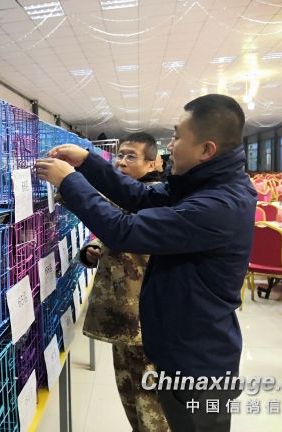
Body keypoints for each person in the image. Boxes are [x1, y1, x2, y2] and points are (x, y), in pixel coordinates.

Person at [36, 94, 256, 432]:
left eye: (177, 137)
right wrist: (88, 163)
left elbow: (125, 230)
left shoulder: (218, 205)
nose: (171, 146)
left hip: (197, 365)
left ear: (206, 150)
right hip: (182, 347)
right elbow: (142, 196)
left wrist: (69, 181)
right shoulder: (203, 185)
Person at [80, 132, 168, 432]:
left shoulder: (156, 198)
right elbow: (114, 236)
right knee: (129, 391)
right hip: (122, 315)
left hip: (143, 318)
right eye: (119, 155)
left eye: (131, 156)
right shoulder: (127, 196)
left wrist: (71, 185)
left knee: (150, 402)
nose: (121, 162)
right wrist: (93, 251)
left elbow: (123, 229)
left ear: (152, 163)